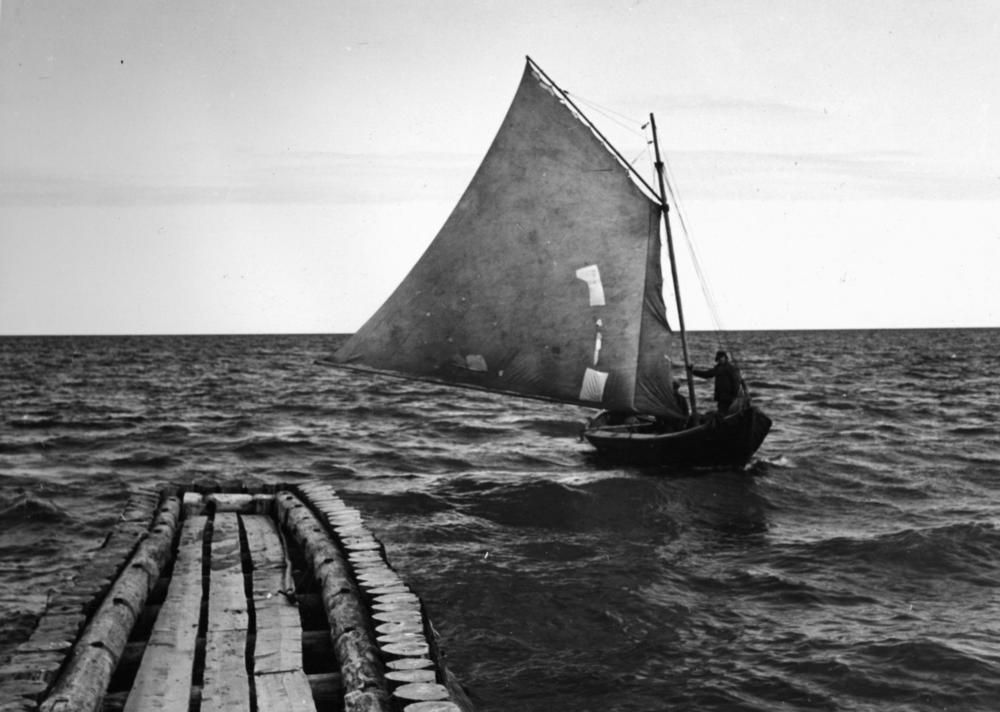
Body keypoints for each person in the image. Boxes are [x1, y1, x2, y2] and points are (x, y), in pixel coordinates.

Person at [687, 350, 743, 415]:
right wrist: (693, 371)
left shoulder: (731, 368)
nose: (720, 359)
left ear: (725, 358)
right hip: (722, 397)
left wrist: (734, 396)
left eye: (722, 357)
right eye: (719, 358)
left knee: (729, 414)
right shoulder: (718, 368)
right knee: (723, 414)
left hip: (730, 397)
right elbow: (707, 374)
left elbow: (736, 383)